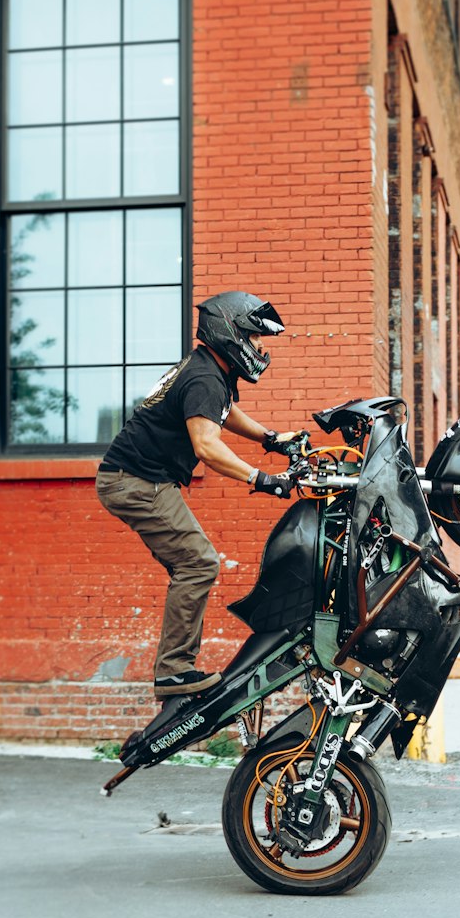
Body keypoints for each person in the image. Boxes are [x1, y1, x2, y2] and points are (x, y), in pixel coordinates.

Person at [96, 291, 299, 702]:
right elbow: (207, 445)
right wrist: (262, 479)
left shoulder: (211, 371)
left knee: (189, 566)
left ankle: (174, 668)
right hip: (135, 482)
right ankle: (173, 672)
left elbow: (222, 413)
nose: (261, 347)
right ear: (232, 334)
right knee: (199, 562)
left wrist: (270, 438)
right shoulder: (206, 377)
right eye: (256, 337)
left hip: (135, 479)